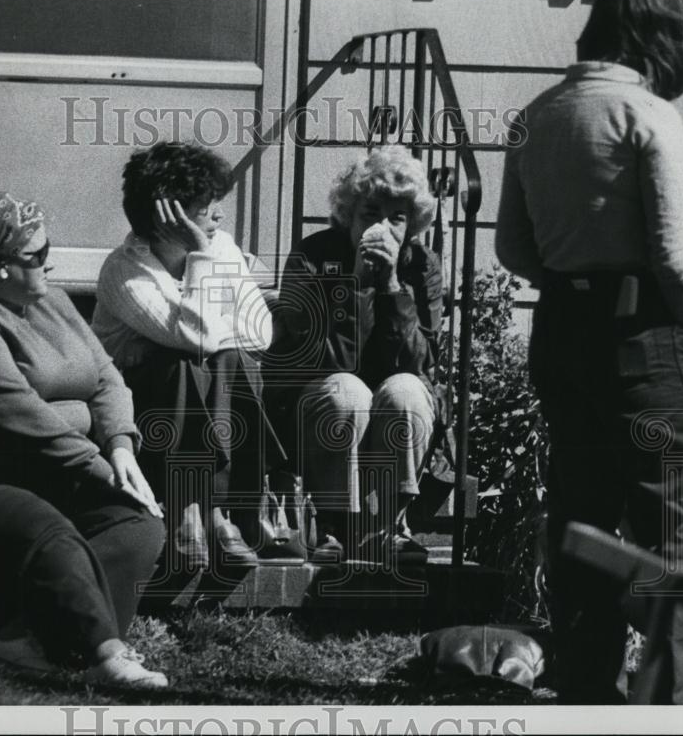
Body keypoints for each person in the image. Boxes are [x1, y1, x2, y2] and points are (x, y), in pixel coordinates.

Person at [495, 0, 683, 703]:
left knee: (583, 520)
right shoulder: (648, 114)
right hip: (643, 333)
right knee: (677, 525)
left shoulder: (535, 113)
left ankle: (588, 693)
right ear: (660, 33)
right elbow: (677, 258)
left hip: (562, 332)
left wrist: (569, 278)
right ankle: (681, 704)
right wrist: (676, 319)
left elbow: (512, 249)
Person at [0, 191, 168, 690]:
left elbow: (107, 379)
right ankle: (106, 655)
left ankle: (24, 637)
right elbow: (20, 419)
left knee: (138, 524)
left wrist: (122, 447)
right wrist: (100, 461)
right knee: (47, 527)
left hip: (45, 473)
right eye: (37, 255)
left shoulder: (53, 302)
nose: (51, 261)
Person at [92, 142, 284, 569]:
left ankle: (206, 513)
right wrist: (199, 256)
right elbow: (197, 336)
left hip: (197, 402)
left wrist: (191, 334)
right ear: (167, 215)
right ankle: (201, 512)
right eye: (204, 207)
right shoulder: (125, 269)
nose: (218, 216)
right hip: (140, 407)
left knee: (231, 360)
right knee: (182, 364)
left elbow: (261, 332)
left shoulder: (224, 248)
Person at [266, 144, 443, 562]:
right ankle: (332, 524)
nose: (383, 227)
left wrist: (393, 288)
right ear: (349, 214)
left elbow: (420, 361)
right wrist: (360, 283)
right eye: (371, 214)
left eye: (397, 218)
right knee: (347, 390)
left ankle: (390, 527)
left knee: (407, 390)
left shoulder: (422, 266)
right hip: (316, 405)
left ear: (412, 224)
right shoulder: (311, 257)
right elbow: (328, 359)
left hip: (390, 404)